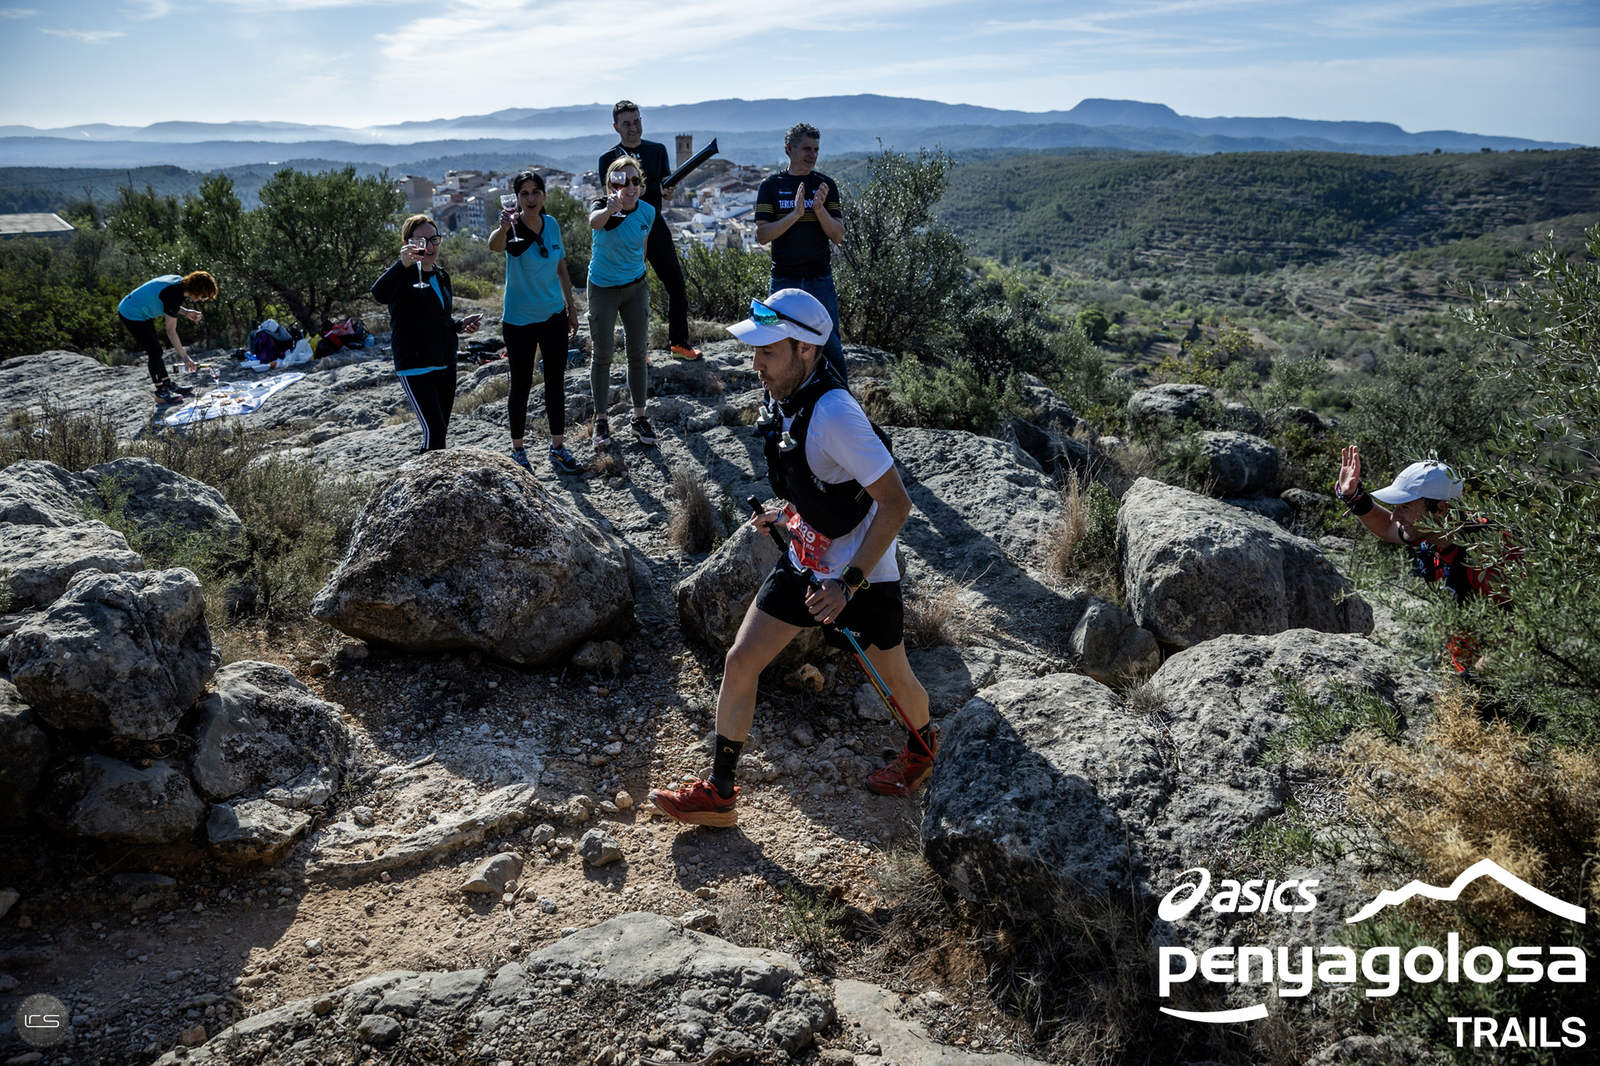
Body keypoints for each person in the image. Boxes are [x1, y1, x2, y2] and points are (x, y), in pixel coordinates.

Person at [649, 289, 936, 828]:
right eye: (755, 351)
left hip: (861, 571)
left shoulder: (836, 414)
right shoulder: (785, 395)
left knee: (895, 678)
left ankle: (922, 752)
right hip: (807, 555)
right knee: (741, 660)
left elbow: (896, 503)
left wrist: (848, 584)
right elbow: (822, 481)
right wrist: (787, 513)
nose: (755, 364)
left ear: (806, 349)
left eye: (768, 352)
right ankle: (719, 794)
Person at [1334, 445, 1517, 671]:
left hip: (1500, 677)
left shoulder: (1490, 553)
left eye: (1405, 507)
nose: (1395, 516)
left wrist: (1475, 679)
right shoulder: (1433, 534)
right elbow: (1389, 528)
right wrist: (1355, 498)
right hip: (1465, 666)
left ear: (1441, 508)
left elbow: (1521, 630)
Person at [491, 170, 582, 475]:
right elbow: (494, 246)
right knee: (521, 385)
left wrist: (571, 308)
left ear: (544, 195)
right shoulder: (512, 226)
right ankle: (517, 450)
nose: (530, 198)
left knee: (556, 383)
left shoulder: (552, 224)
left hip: (553, 315)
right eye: (524, 193)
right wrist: (503, 228)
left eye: (535, 192)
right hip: (519, 320)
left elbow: (561, 268)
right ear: (517, 198)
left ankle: (558, 447)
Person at [598, 100, 699, 361]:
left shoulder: (657, 150)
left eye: (636, 121)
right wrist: (648, 189)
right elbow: (613, 194)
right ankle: (637, 351)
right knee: (630, 291)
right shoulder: (608, 159)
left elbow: (665, 191)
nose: (633, 128)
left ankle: (679, 344)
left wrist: (668, 191)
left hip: (654, 225)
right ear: (616, 127)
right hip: (625, 229)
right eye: (626, 124)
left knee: (676, 285)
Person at [371, 214, 481, 452]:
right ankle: (426, 476)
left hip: (445, 362)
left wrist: (460, 325)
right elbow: (379, 294)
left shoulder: (441, 276)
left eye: (433, 239)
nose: (428, 247)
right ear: (407, 243)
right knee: (435, 432)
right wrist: (402, 264)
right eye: (421, 241)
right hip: (415, 365)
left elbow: (440, 319)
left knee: (440, 432)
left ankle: (429, 473)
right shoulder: (401, 275)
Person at [754, 123, 846, 381]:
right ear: (789, 149)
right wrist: (795, 215)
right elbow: (762, 235)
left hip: (820, 279)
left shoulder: (825, 185)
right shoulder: (771, 186)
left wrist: (819, 209)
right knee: (774, 340)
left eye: (816, 149)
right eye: (807, 148)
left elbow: (838, 235)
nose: (812, 155)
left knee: (829, 342)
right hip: (783, 280)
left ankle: (841, 396)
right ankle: (773, 399)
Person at [587, 156, 659, 448]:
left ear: (641, 184)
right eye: (622, 181)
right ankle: (601, 420)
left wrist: (637, 275)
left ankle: (639, 416)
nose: (629, 186)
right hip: (603, 288)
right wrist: (609, 209)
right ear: (610, 185)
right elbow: (594, 223)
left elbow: (643, 248)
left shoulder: (648, 212)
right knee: (602, 354)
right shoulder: (601, 206)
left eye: (635, 181)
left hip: (635, 287)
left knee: (637, 353)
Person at [117, 271, 217, 403]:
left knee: (156, 350)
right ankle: (161, 392)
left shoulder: (180, 283)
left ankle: (167, 384)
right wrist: (185, 358)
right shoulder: (175, 294)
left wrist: (186, 312)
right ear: (196, 290)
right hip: (131, 312)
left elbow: (168, 303)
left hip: (141, 310)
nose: (202, 300)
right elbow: (171, 331)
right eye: (203, 296)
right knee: (154, 351)